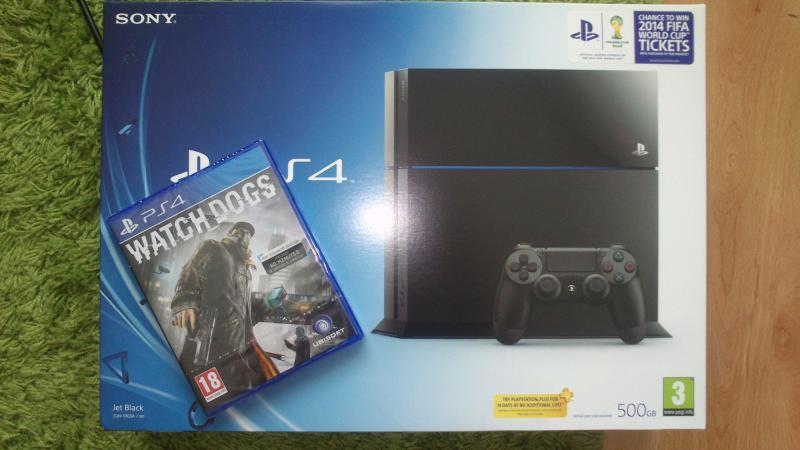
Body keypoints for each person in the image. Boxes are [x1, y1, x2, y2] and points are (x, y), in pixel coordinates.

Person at [171, 222, 278, 396]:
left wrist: (267, 304)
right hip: (208, 337)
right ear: (231, 232)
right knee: (195, 389)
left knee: (234, 393)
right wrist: (185, 300)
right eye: (242, 231)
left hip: (238, 346)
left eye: (249, 234)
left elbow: (244, 311)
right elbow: (193, 270)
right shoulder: (213, 247)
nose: (245, 236)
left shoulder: (246, 270)